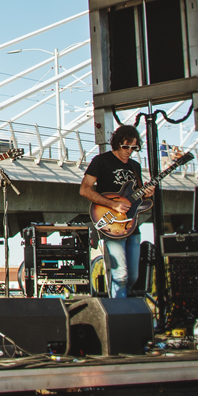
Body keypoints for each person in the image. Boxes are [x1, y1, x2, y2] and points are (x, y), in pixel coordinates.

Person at [80, 125, 153, 298]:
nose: (129, 151)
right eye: (125, 147)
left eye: (133, 148)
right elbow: (85, 190)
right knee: (120, 275)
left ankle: (123, 310)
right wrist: (113, 205)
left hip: (131, 225)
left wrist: (148, 193)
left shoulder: (135, 166)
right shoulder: (101, 161)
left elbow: (137, 199)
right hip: (111, 224)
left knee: (134, 276)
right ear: (116, 144)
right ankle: (119, 317)